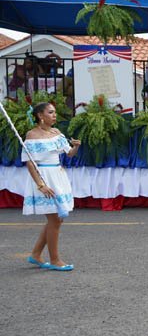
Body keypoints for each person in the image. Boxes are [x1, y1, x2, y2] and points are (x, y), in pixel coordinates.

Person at [23, 102, 81, 271]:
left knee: (56, 219)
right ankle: (55, 260)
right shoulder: (32, 135)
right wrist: (41, 185)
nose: (54, 115)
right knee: (54, 219)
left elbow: (69, 153)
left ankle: (36, 255)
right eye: (50, 112)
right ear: (40, 115)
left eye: (54, 112)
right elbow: (30, 163)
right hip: (44, 178)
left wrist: (76, 147)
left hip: (58, 177)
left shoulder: (56, 132)